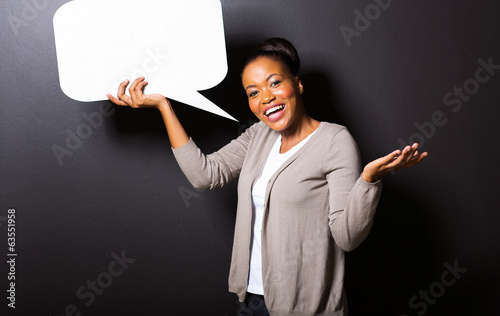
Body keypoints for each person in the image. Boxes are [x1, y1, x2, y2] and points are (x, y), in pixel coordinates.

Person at [107, 38, 427, 316]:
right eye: (253, 92)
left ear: (297, 84)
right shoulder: (259, 135)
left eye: (275, 83)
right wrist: (163, 105)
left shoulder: (334, 140)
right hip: (252, 301)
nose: (266, 98)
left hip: (305, 308)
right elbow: (205, 175)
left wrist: (368, 181)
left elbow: (347, 237)